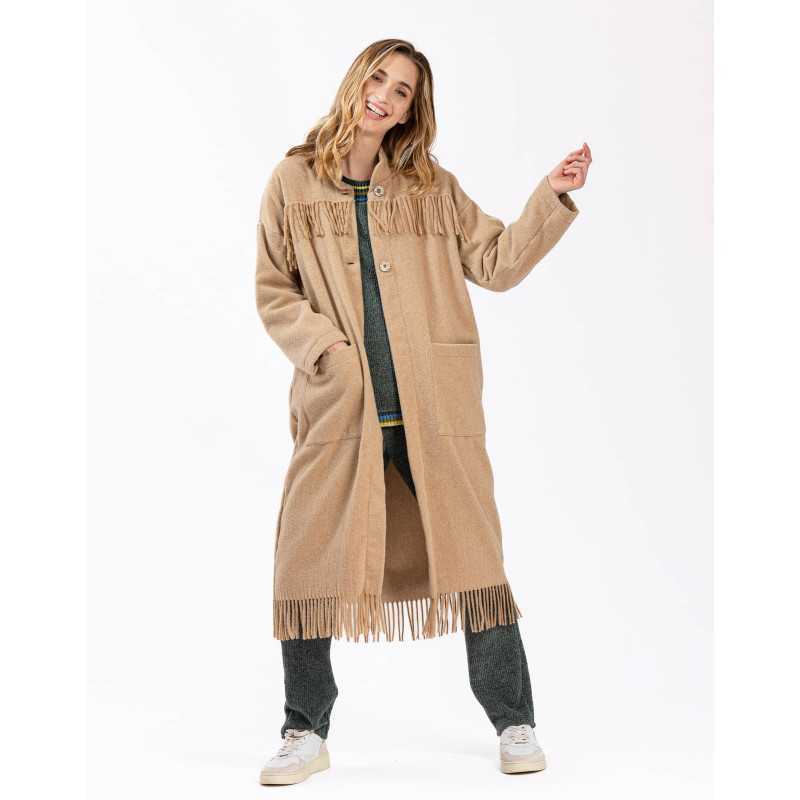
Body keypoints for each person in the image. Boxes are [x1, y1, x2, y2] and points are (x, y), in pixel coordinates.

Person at [254, 38, 590, 785]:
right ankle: (304, 730)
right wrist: (329, 355)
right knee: (304, 563)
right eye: (378, 78)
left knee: (475, 561)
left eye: (402, 90)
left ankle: (514, 721)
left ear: (412, 110)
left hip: (433, 409)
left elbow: (496, 262)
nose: (385, 96)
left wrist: (551, 194)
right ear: (356, 81)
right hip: (340, 411)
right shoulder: (293, 180)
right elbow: (274, 290)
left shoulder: (431, 187)